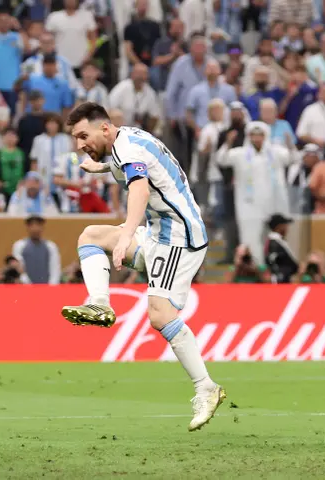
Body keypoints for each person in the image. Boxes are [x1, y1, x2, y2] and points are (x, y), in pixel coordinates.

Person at [60, 102, 224, 432]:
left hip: (178, 237)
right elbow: (145, 166)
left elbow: (139, 187)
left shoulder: (128, 148)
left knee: (160, 315)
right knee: (91, 236)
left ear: (104, 128)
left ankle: (206, 388)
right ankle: (100, 304)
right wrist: (104, 169)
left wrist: (127, 236)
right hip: (160, 232)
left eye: (82, 136)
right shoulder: (129, 138)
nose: (79, 145)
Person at [216, 122, 297, 264]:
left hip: (273, 204)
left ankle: (276, 269)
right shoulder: (240, 153)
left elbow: (293, 159)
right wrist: (228, 143)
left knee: (275, 238)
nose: (257, 138)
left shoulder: (276, 152)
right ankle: (256, 270)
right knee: (250, 238)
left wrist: (290, 145)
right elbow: (222, 160)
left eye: (260, 135)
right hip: (249, 205)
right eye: (253, 135)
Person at [264, 213, 298, 284]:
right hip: (281, 281)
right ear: (279, 226)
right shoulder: (274, 243)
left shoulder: (279, 241)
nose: (287, 227)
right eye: (285, 225)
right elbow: (274, 263)